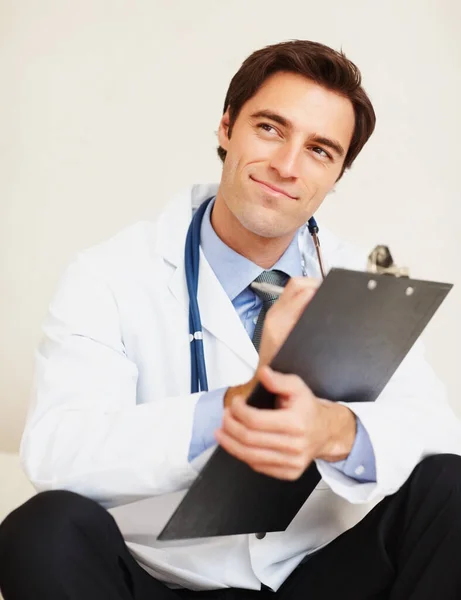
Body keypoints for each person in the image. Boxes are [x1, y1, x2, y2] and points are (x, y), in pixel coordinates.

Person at [1, 39, 461, 600]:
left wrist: (333, 430)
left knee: (452, 488)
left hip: (314, 578)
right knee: (41, 530)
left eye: (320, 150)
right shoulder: (109, 274)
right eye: (270, 128)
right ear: (226, 128)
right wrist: (233, 411)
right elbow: (56, 450)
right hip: (158, 581)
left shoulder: (353, 279)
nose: (287, 166)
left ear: (337, 174)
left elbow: (436, 429)